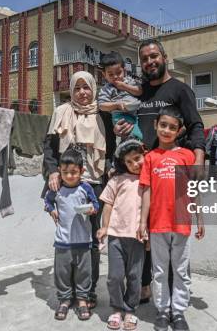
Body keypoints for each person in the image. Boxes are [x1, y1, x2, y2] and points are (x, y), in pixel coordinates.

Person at [114, 39, 206, 303]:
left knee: (175, 237)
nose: (149, 62)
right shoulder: (141, 93)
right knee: (145, 233)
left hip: (172, 177)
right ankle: (146, 285)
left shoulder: (179, 89)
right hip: (143, 172)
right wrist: (121, 129)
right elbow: (133, 122)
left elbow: (195, 125)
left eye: (154, 56)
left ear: (164, 57)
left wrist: (198, 158)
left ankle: (177, 292)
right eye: (144, 59)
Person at [42, 70, 108, 308]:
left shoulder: (103, 113)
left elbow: (109, 147)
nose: (82, 92)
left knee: (91, 241)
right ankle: (67, 292)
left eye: (86, 87)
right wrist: (52, 171)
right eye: (77, 88)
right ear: (71, 90)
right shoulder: (61, 112)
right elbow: (49, 148)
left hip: (95, 183)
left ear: (93, 89)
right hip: (66, 183)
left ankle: (87, 292)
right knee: (67, 238)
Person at [137, 106, 205, 331]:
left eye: (172, 127)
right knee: (160, 271)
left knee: (180, 270)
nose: (167, 130)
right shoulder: (150, 158)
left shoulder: (187, 156)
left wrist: (200, 218)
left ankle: (178, 312)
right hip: (157, 225)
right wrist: (142, 222)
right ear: (156, 125)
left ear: (179, 131)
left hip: (182, 224)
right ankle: (163, 312)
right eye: (163, 125)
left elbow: (194, 189)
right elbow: (146, 192)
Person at [96, 139, 147, 330]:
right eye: (129, 161)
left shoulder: (148, 180)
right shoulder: (116, 180)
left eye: (137, 158)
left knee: (135, 276)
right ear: (123, 163)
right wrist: (104, 227)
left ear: (144, 155)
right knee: (115, 276)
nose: (135, 164)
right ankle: (116, 309)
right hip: (116, 236)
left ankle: (130, 310)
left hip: (138, 237)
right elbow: (108, 204)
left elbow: (152, 208)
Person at [44, 149, 100, 321]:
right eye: (65, 172)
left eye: (73, 172)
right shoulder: (57, 188)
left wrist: (92, 209)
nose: (69, 176)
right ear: (59, 170)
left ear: (82, 171)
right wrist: (52, 210)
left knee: (84, 272)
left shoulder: (86, 188)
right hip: (63, 242)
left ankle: (82, 300)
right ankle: (64, 300)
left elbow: (96, 204)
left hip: (83, 241)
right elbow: (47, 201)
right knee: (62, 273)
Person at [98, 51, 143, 141]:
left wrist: (124, 86)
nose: (115, 77)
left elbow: (139, 91)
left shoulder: (130, 81)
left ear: (124, 71)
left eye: (118, 73)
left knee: (140, 131)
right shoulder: (107, 89)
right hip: (120, 115)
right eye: (110, 74)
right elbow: (102, 105)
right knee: (133, 133)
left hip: (135, 113)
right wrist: (117, 105)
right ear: (104, 75)